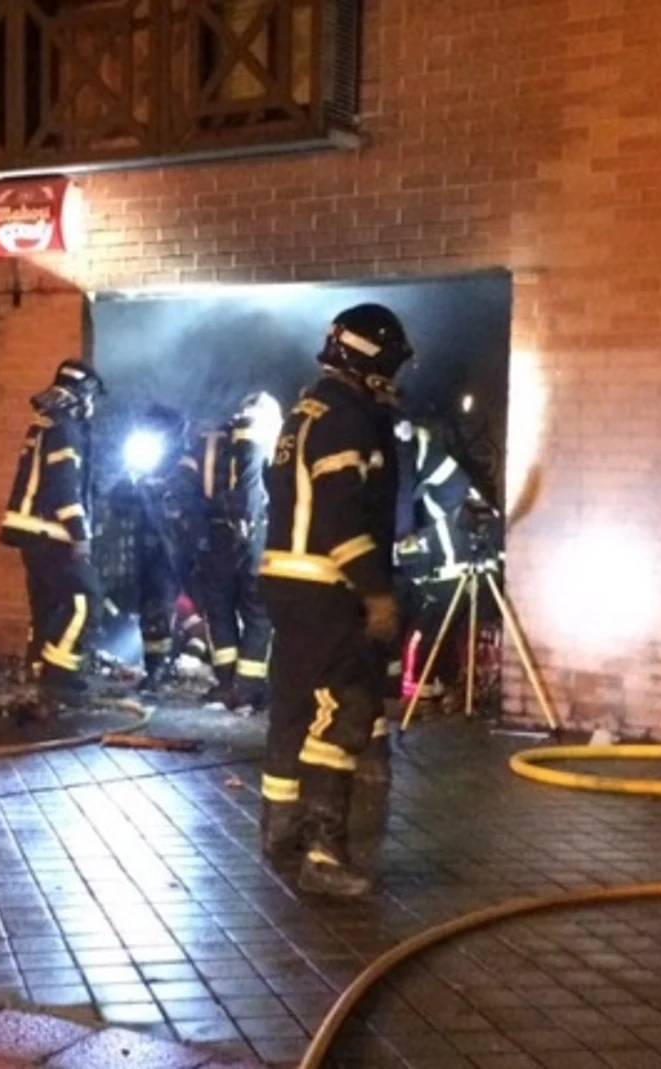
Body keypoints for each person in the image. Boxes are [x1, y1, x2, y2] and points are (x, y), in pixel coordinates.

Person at [258, 304, 412, 897]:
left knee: (295, 706)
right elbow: (342, 514)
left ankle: (280, 829)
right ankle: (323, 853)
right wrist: (375, 592)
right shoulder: (347, 418)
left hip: (290, 581)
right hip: (327, 586)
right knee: (344, 710)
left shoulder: (306, 410)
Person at [0, 358, 105, 713]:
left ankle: (38, 669)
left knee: (46, 604)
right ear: (83, 393)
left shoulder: (44, 423)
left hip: (31, 532)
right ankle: (59, 676)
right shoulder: (65, 429)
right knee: (84, 598)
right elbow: (64, 487)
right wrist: (80, 532)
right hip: (52, 531)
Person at [183, 391, 282, 712]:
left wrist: (197, 533)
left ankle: (226, 683)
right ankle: (248, 688)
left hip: (215, 537)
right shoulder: (265, 437)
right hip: (255, 535)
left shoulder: (211, 441)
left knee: (220, 610)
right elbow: (258, 489)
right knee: (258, 612)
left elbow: (186, 487)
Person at [394, 417, 487, 713]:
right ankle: (441, 685)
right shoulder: (438, 467)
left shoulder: (407, 453)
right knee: (445, 627)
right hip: (469, 561)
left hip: (454, 565)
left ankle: (419, 692)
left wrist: (403, 543)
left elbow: (402, 508)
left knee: (429, 627)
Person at [120, 404, 193, 692]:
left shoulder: (185, 463)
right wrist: (131, 483)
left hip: (177, 548)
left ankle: (220, 672)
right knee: (152, 609)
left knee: (185, 608)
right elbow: (119, 506)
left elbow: (187, 503)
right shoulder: (144, 463)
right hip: (150, 548)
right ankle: (156, 668)